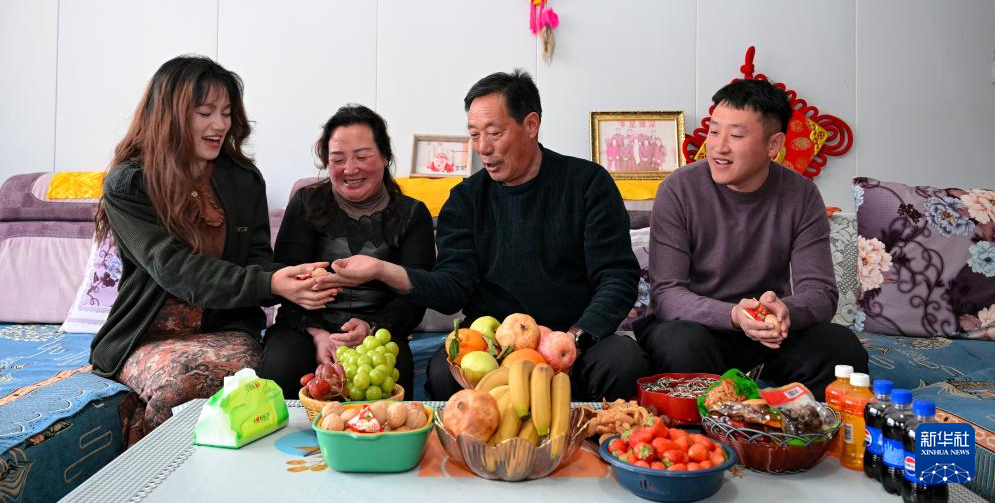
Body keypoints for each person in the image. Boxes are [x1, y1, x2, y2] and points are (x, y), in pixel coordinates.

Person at [325, 70, 650, 401]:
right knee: (443, 373)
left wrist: (575, 338)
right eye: (475, 135)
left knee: (624, 362)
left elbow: (617, 277)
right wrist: (382, 270)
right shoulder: (465, 200)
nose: (483, 148)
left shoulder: (587, 184)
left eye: (494, 133)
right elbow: (453, 290)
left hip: (574, 338)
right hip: (492, 346)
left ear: (531, 125)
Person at [89, 56, 334, 442]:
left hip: (227, 330)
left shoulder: (244, 180)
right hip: (146, 336)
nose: (220, 125)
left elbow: (257, 259)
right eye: (205, 113)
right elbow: (172, 266)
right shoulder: (130, 184)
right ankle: (158, 474)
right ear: (169, 115)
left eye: (226, 113)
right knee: (180, 384)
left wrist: (294, 279)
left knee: (245, 375)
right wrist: (271, 283)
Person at [634, 79, 868, 399]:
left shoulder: (801, 195)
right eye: (714, 131)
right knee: (680, 345)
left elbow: (821, 293)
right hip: (697, 327)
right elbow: (667, 295)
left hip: (766, 332)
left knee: (842, 349)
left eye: (736, 135)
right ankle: (715, 420)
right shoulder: (679, 189)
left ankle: (789, 420)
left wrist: (784, 310)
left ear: (773, 145)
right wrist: (733, 315)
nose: (719, 147)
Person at [257, 105, 435, 399]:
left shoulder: (412, 215)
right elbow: (284, 280)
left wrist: (370, 327)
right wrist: (318, 334)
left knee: (392, 380)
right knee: (282, 367)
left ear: (385, 156)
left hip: (379, 332)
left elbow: (416, 295)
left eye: (362, 157)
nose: (350, 169)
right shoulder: (305, 204)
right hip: (305, 328)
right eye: (338, 159)